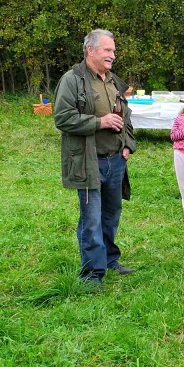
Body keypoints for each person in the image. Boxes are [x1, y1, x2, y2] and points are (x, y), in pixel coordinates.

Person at [54, 29, 136, 288]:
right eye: (107, 50)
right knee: (91, 218)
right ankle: (92, 273)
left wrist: (127, 145)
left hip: (115, 161)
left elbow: (127, 116)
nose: (113, 55)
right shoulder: (72, 80)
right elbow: (63, 118)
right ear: (90, 51)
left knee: (111, 214)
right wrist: (100, 122)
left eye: (113, 50)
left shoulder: (113, 81)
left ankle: (110, 259)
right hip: (88, 161)